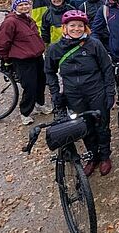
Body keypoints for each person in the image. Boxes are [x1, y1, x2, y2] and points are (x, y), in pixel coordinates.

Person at [44, 10, 115, 177]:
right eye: (72, 25)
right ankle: (92, 156)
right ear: (65, 27)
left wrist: (110, 92)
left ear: (85, 28)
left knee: (101, 124)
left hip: (96, 91)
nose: (76, 29)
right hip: (73, 95)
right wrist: (55, 93)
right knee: (84, 126)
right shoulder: (55, 49)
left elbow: (107, 69)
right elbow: (49, 72)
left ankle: (105, 156)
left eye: (80, 26)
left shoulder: (94, 44)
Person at [0, 0, 51, 125]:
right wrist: (6, 58)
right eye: (21, 5)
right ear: (15, 7)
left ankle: (40, 104)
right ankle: (25, 112)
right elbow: (3, 42)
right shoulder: (10, 22)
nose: (25, 7)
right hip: (22, 59)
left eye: (26, 4)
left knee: (41, 81)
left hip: (36, 56)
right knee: (29, 86)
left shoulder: (28, 19)